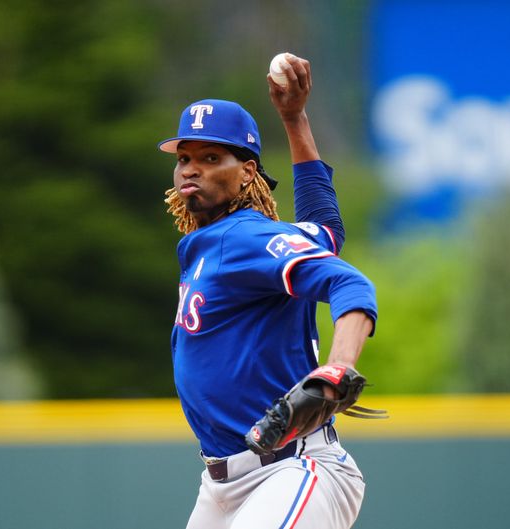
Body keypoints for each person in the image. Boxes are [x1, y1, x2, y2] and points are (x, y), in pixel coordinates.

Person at [158, 54, 378, 529]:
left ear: (248, 172)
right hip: (222, 486)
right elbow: (325, 228)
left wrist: (337, 368)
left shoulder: (244, 236)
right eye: (184, 159)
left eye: (212, 157)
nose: (191, 170)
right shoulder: (213, 245)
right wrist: (294, 119)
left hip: (292, 470)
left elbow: (348, 281)